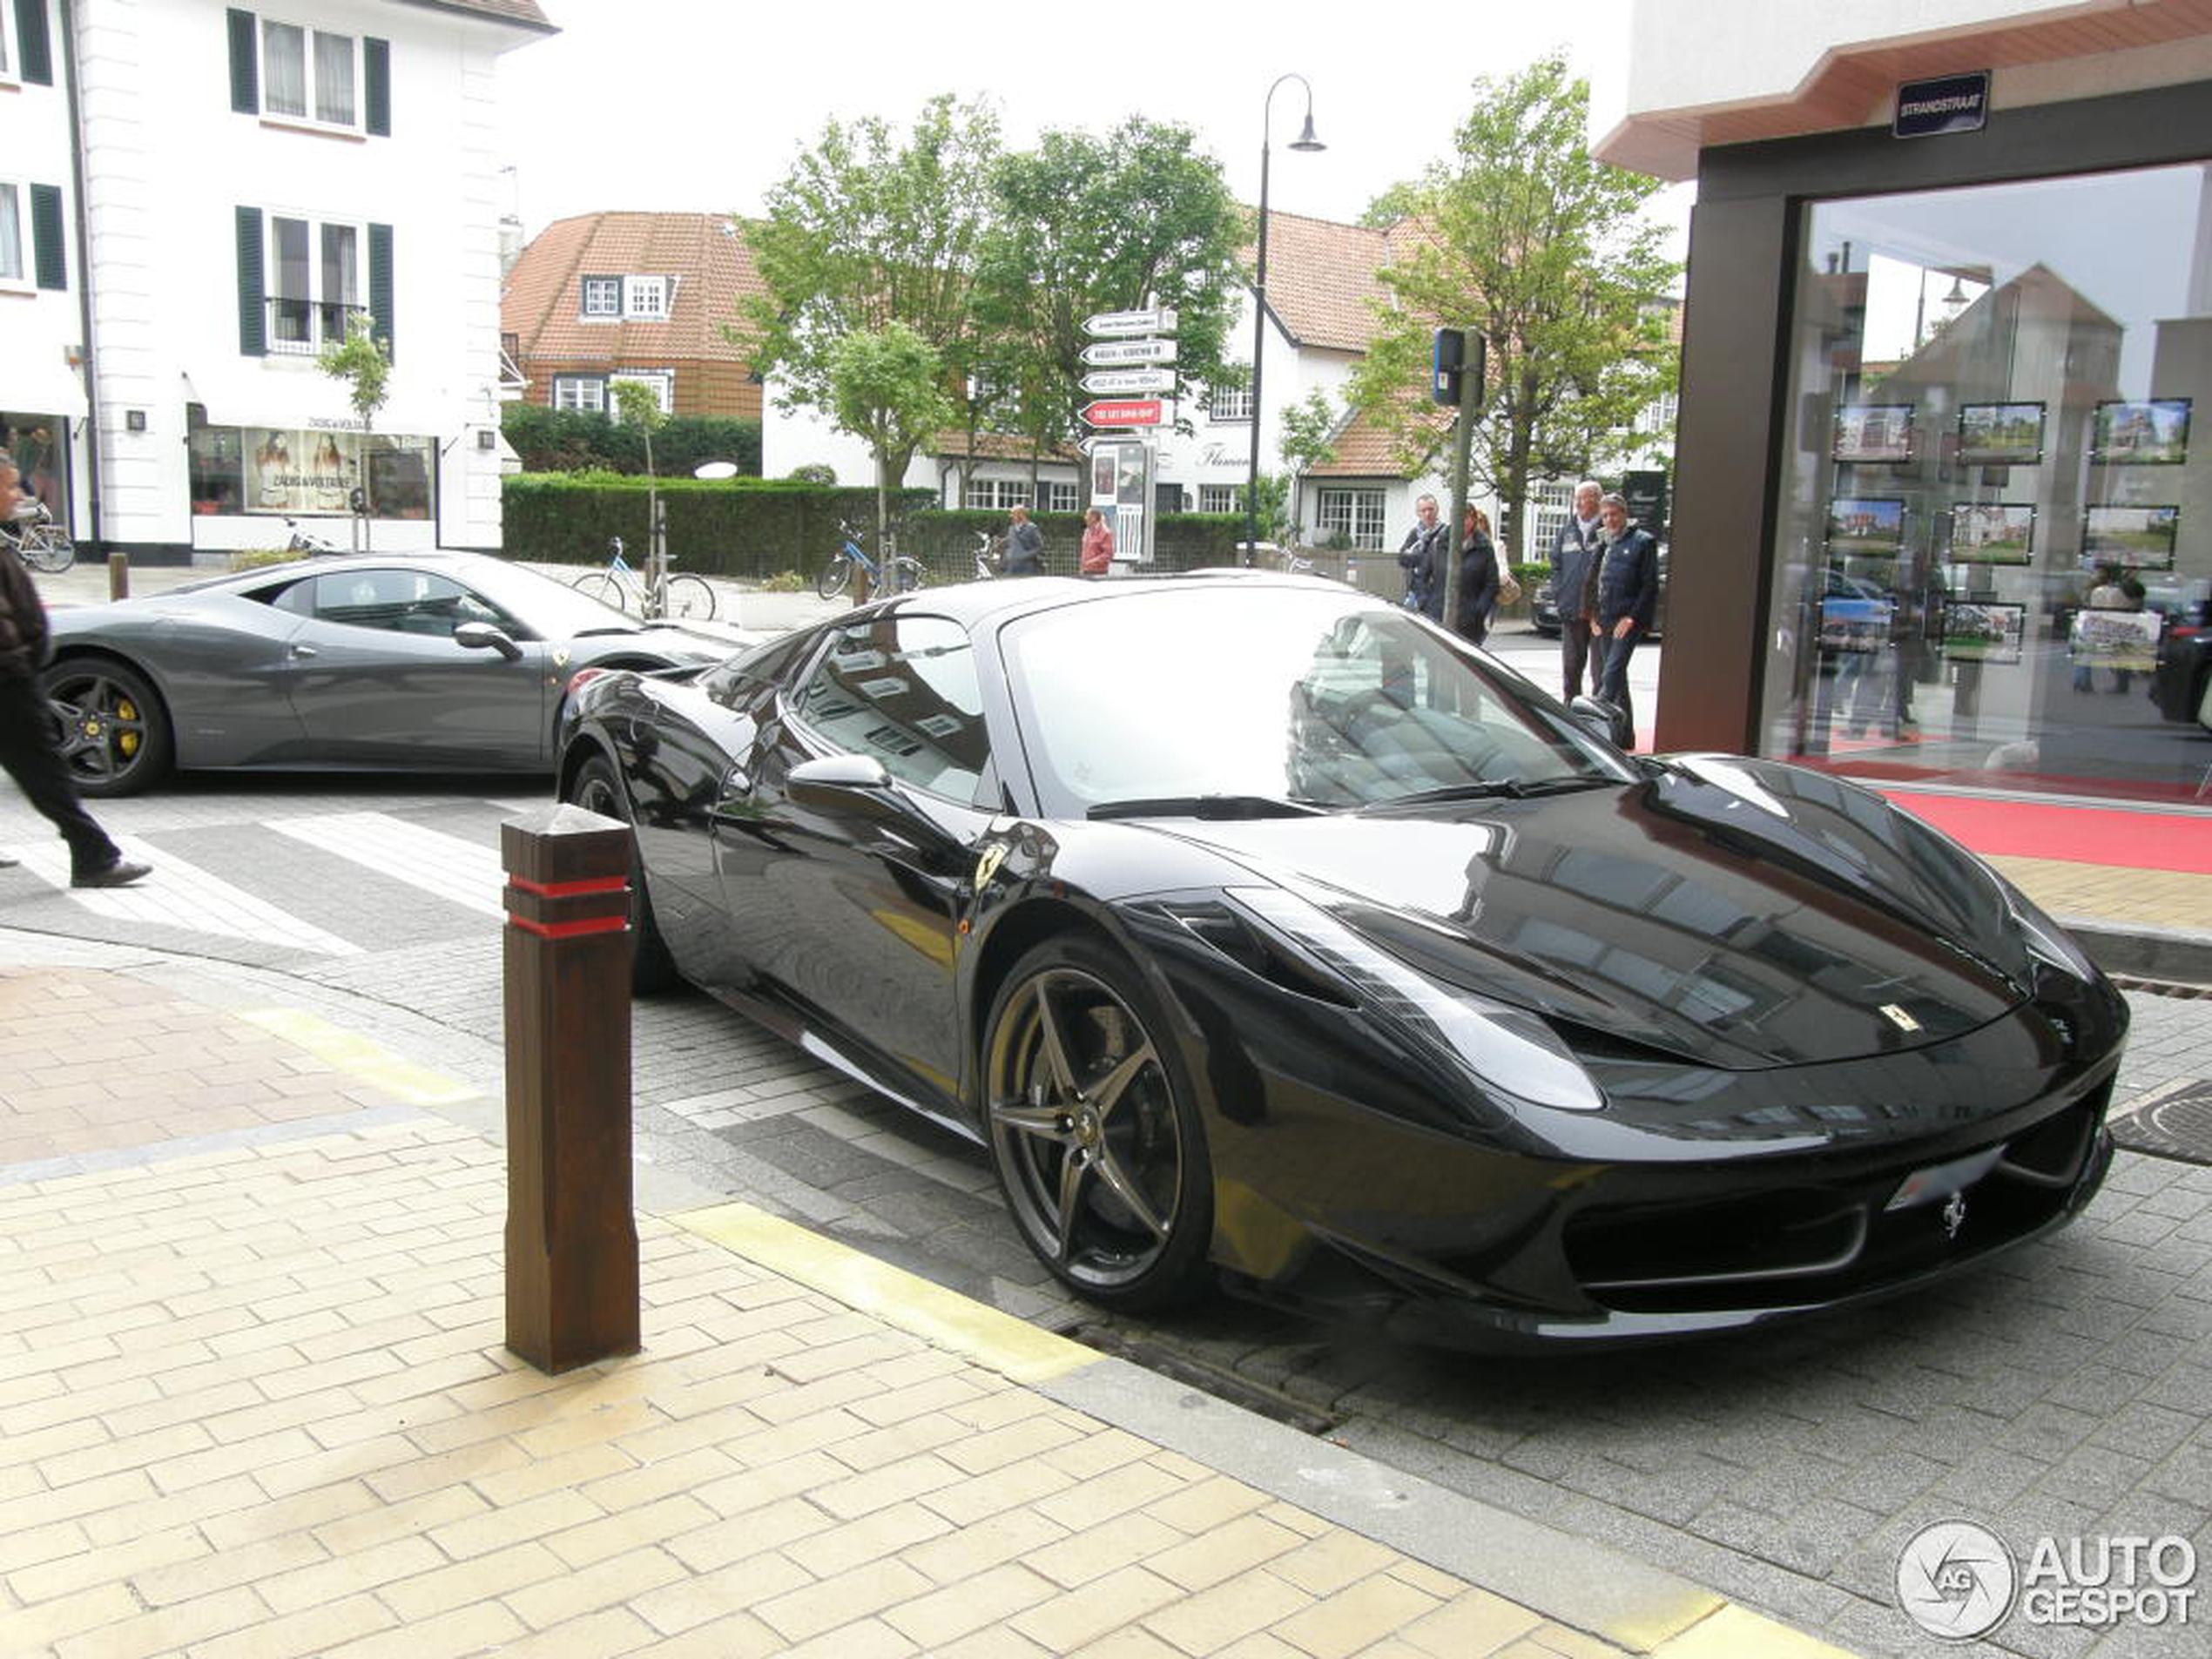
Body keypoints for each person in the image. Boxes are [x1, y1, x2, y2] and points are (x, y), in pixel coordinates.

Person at [0, 460, 151, 889]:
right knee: (46, 772)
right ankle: (94, 856)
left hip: (14, 673)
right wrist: (20, 661)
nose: (18, 497)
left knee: (42, 771)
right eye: (9, 488)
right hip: (8, 679)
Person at [1590, 492, 1660, 745]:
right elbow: (1594, 581)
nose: (1609, 519)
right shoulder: (1604, 543)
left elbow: (1649, 586)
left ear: (1624, 514)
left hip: (1626, 620)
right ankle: (1625, 736)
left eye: (1613, 514)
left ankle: (1594, 730)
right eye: (1605, 515)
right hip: (1605, 619)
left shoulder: (1643, 542)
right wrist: (1593, 615)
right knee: (1617, 678)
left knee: (1610, 678)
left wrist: (1632, 618)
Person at [1553, 480, 1605, 698]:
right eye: (1577, 498)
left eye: (1584, 498)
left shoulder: (1606, 529)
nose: (1579, 503)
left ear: (1597, 499)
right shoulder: (1567, 530)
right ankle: (1570, 713)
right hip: (1571, 608)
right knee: (1571, 668)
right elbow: (1556, 565)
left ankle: (1599, 717)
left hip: (1598, 614)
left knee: (1599, 671)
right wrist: (1560, 593)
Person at [1453, 505, 1501, 645]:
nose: (1462, 522)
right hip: (1441, 615)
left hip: (1470, 619)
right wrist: (1425, 600)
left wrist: (1478, 610)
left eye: (1466, 518)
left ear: (1473, 520)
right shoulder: (1441, 543)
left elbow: (1492, 583)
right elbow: (1426, 575)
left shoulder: (1485, 548)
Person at [1396, 494, 1447, 619]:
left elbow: (1440, 563)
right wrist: (1421, 558)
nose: (1427, 514)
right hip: (1414, 593)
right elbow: (1402, 559)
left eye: (1430, 509)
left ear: (1437, 510)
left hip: (1435, 596)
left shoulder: (1445, 533)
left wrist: (1415, 557)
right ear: (1418, 513)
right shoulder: (1415, 533)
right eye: (1423, 510)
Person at [1004, 503, 1046, 577]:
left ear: (1021, 515)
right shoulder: (1011, 529)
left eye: (1014, 515)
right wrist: (1008, 553)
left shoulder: (1031, 528)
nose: (1012, 517)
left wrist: (1025, 555)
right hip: (1012, 567)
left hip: (1027, 568)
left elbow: (1040, 547)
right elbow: (1011, 545)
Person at [1079, 507, 1115, 577]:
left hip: (1099, 573)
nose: (1085, 518)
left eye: (1087, 515)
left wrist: (1091, 562)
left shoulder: (1105, 533)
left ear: (1094, 517)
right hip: (1086, 571)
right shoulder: (1087, 531)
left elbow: (1108, 555)